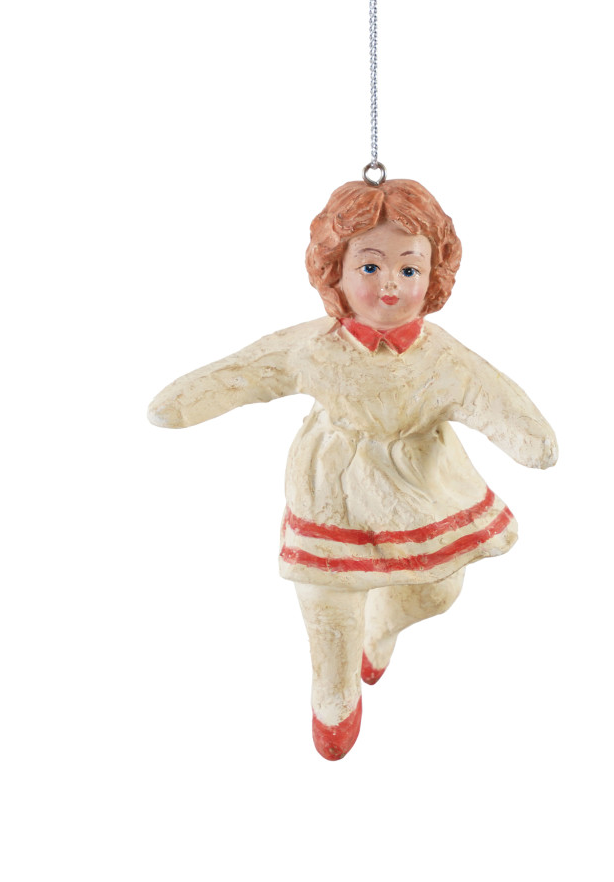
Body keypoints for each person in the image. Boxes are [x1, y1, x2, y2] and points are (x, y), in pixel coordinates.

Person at [148, 177, 558, 760]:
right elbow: (247, 370)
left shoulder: (442, 354)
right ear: (334, 270)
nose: (390, 283)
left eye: (409, 269)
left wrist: (529, 437)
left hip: (422, 486)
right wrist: (184, 403)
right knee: (328, 595)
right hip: (334, 488)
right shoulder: (313, 346)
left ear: (434, 277)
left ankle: (382, 624)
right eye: (370, 266)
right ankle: (333, 687)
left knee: (438, 591)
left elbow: (491, 395)